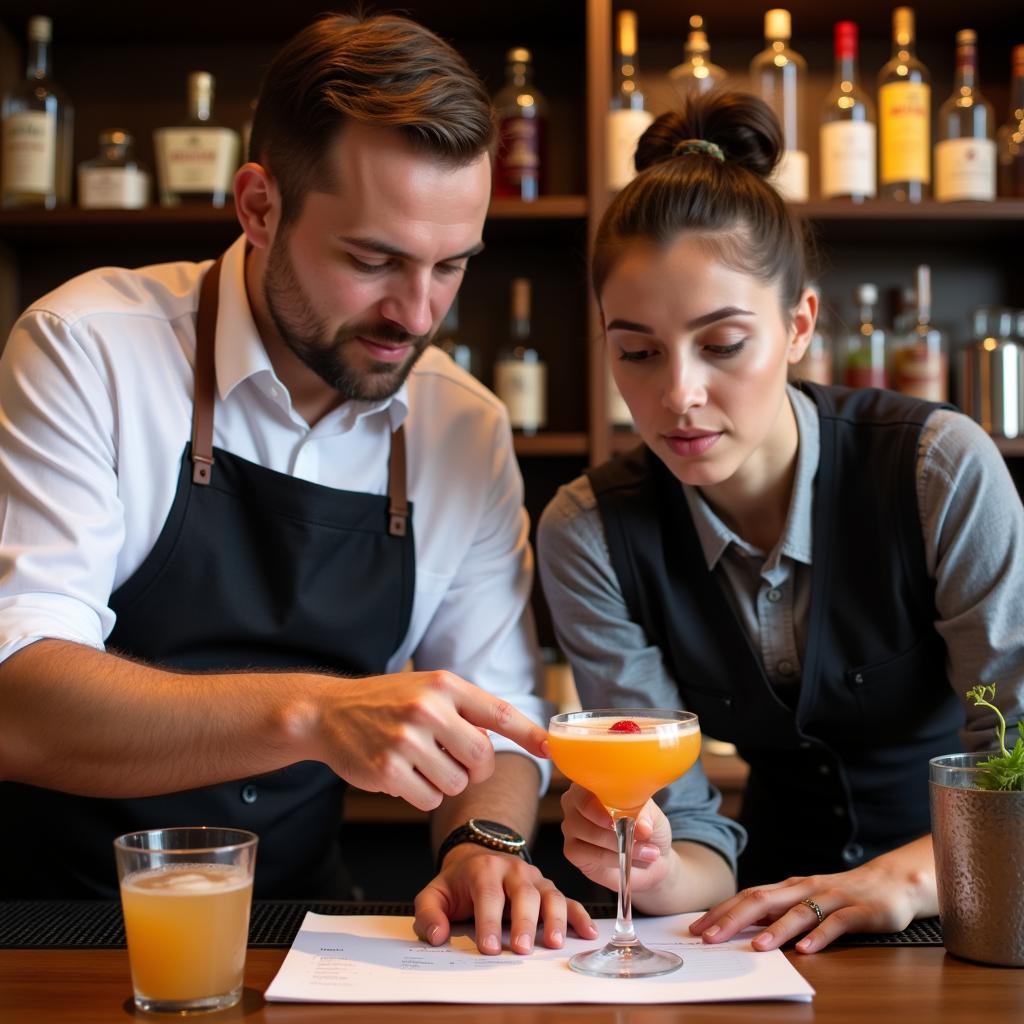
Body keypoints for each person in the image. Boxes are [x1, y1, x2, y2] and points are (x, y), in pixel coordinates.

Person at [0, 13, 596, 956]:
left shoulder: (462, 424)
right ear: (259, 206)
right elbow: (18, 699)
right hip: (46, 925)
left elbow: (499, 718)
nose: (416, 314)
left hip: (301, 931)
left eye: (451, 267)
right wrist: (316, 715)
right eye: (373, 261)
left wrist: (484, 844)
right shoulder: (88, 349)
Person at [538, 89, 1024, 954]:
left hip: (971, 907)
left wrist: (905, 878)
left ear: (799, 323)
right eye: (637, 351)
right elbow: (688, 833)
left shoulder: (937, 467)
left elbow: (1018, 758)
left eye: (722, 344)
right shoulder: (588, 532)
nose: (677, 394)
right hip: (762, 925)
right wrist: (649, 870)